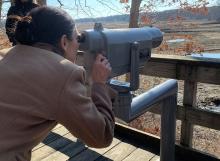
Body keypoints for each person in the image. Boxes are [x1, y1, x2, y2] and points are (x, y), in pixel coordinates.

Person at [0, 6, 115, 161]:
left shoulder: (8, 56)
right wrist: (100, 84)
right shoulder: (64, 73)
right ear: (64, 42)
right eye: (77, 38)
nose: (78, 45)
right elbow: (101, 136)